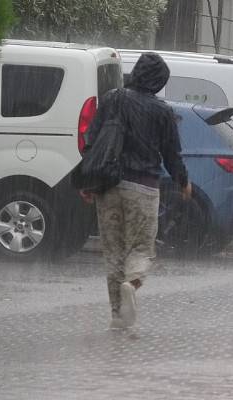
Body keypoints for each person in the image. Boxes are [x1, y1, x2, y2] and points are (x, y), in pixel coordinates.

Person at [80, 52, 191, 329]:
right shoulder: (162, 112)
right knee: (141, 247)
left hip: (108, 185)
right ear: (158, 81)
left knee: (114, 251)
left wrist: (87, 180)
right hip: (143, 188)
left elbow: (91, 140)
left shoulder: (111, 99)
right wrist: (183, 181)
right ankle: (133, 282)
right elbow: (171, 154)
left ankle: (117, 315)